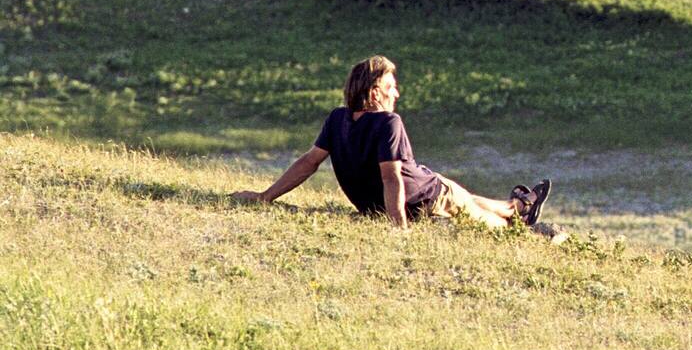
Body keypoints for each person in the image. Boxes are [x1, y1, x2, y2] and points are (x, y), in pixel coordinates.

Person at [231, 55, 550, 229]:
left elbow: (308, 163)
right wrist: (399, 228)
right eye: (391, 86)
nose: (396, 93)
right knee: (485, 222)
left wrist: (265, 197)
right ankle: (519, 219)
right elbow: (391, 177)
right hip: (425, 201)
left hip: (413, 193)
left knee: (461, 193)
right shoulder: (388, 122)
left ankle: (517, 205)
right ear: (374, 92)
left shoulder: (338, 118)